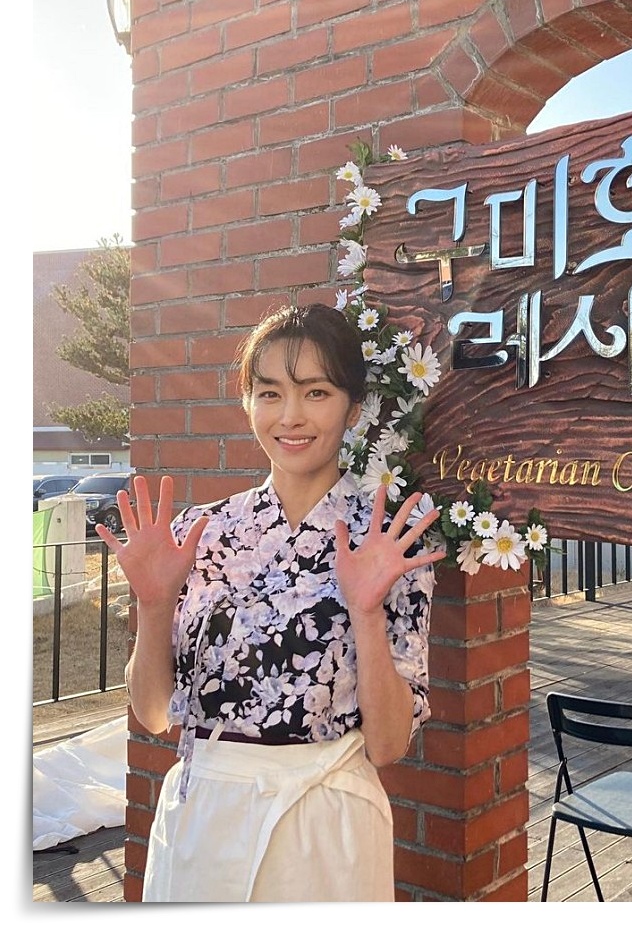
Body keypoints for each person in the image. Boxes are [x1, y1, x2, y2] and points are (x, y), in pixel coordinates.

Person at [97, 302, 445, 902]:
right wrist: (154, 606)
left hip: (325, 825)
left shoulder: (386, 542)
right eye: (270, 394)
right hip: (205, 817)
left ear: (353, 409)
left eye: (316, 392)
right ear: (248, 403)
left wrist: (365, 612)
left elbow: (388, 745)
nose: (290, 416)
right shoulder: (202, 533)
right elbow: (152, 713)